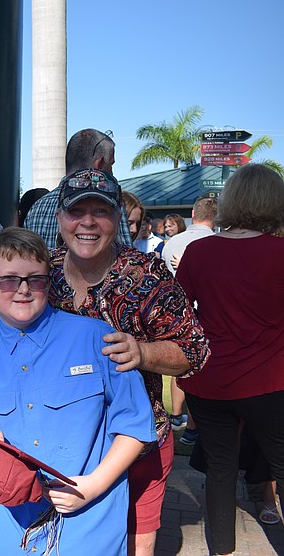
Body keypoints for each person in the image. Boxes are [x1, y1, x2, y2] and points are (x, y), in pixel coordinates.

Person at [0, 227, 155, 555]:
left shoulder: (98, 340)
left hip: (88, 521)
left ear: (50, 280)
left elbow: (134, 426)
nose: (23, 290)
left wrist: (91, 486)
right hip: (8, 525)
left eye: (36, 279)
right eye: (9, 280)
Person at [48, 168, 209, 556]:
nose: (87, 222)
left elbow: (195, 349)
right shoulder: (41, 271)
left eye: (99, 211)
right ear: (59, 218)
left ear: (117, 219)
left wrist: (143, 352)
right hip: (57, 446)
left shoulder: (148, 275)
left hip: (137, 447)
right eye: (76, 210)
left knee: (137, 544)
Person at [175, 164, 284, 556]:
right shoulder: (279, 252)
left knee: (220, 469)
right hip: (271, 381)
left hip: (211, 379)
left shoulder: (199, 251)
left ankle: (221, 549)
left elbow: (179, 313)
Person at [161, 196, 218, 445]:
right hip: (205, 313)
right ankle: (193, 426)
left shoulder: (172, 242)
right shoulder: (215, 243)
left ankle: (176, 416)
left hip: (177, 312)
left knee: (179, 368)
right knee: (200, 370)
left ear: (193, 214)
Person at [25, 128, 133, 248]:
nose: (88, 222)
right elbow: (125, 251)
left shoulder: (37, 207)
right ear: (99, 163)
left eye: (99, 211)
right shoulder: (112, 204)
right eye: (111, 165)